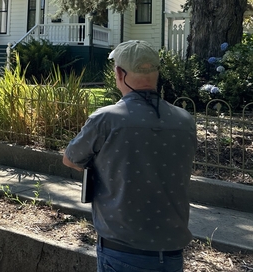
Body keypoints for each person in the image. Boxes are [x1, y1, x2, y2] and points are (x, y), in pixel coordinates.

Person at [63, 40, 197, 272]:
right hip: (172, 253)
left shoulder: (107, 119)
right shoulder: (185, 120)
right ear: (156, 72)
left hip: (121, 250)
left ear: (119, 73)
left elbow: (70, 158)